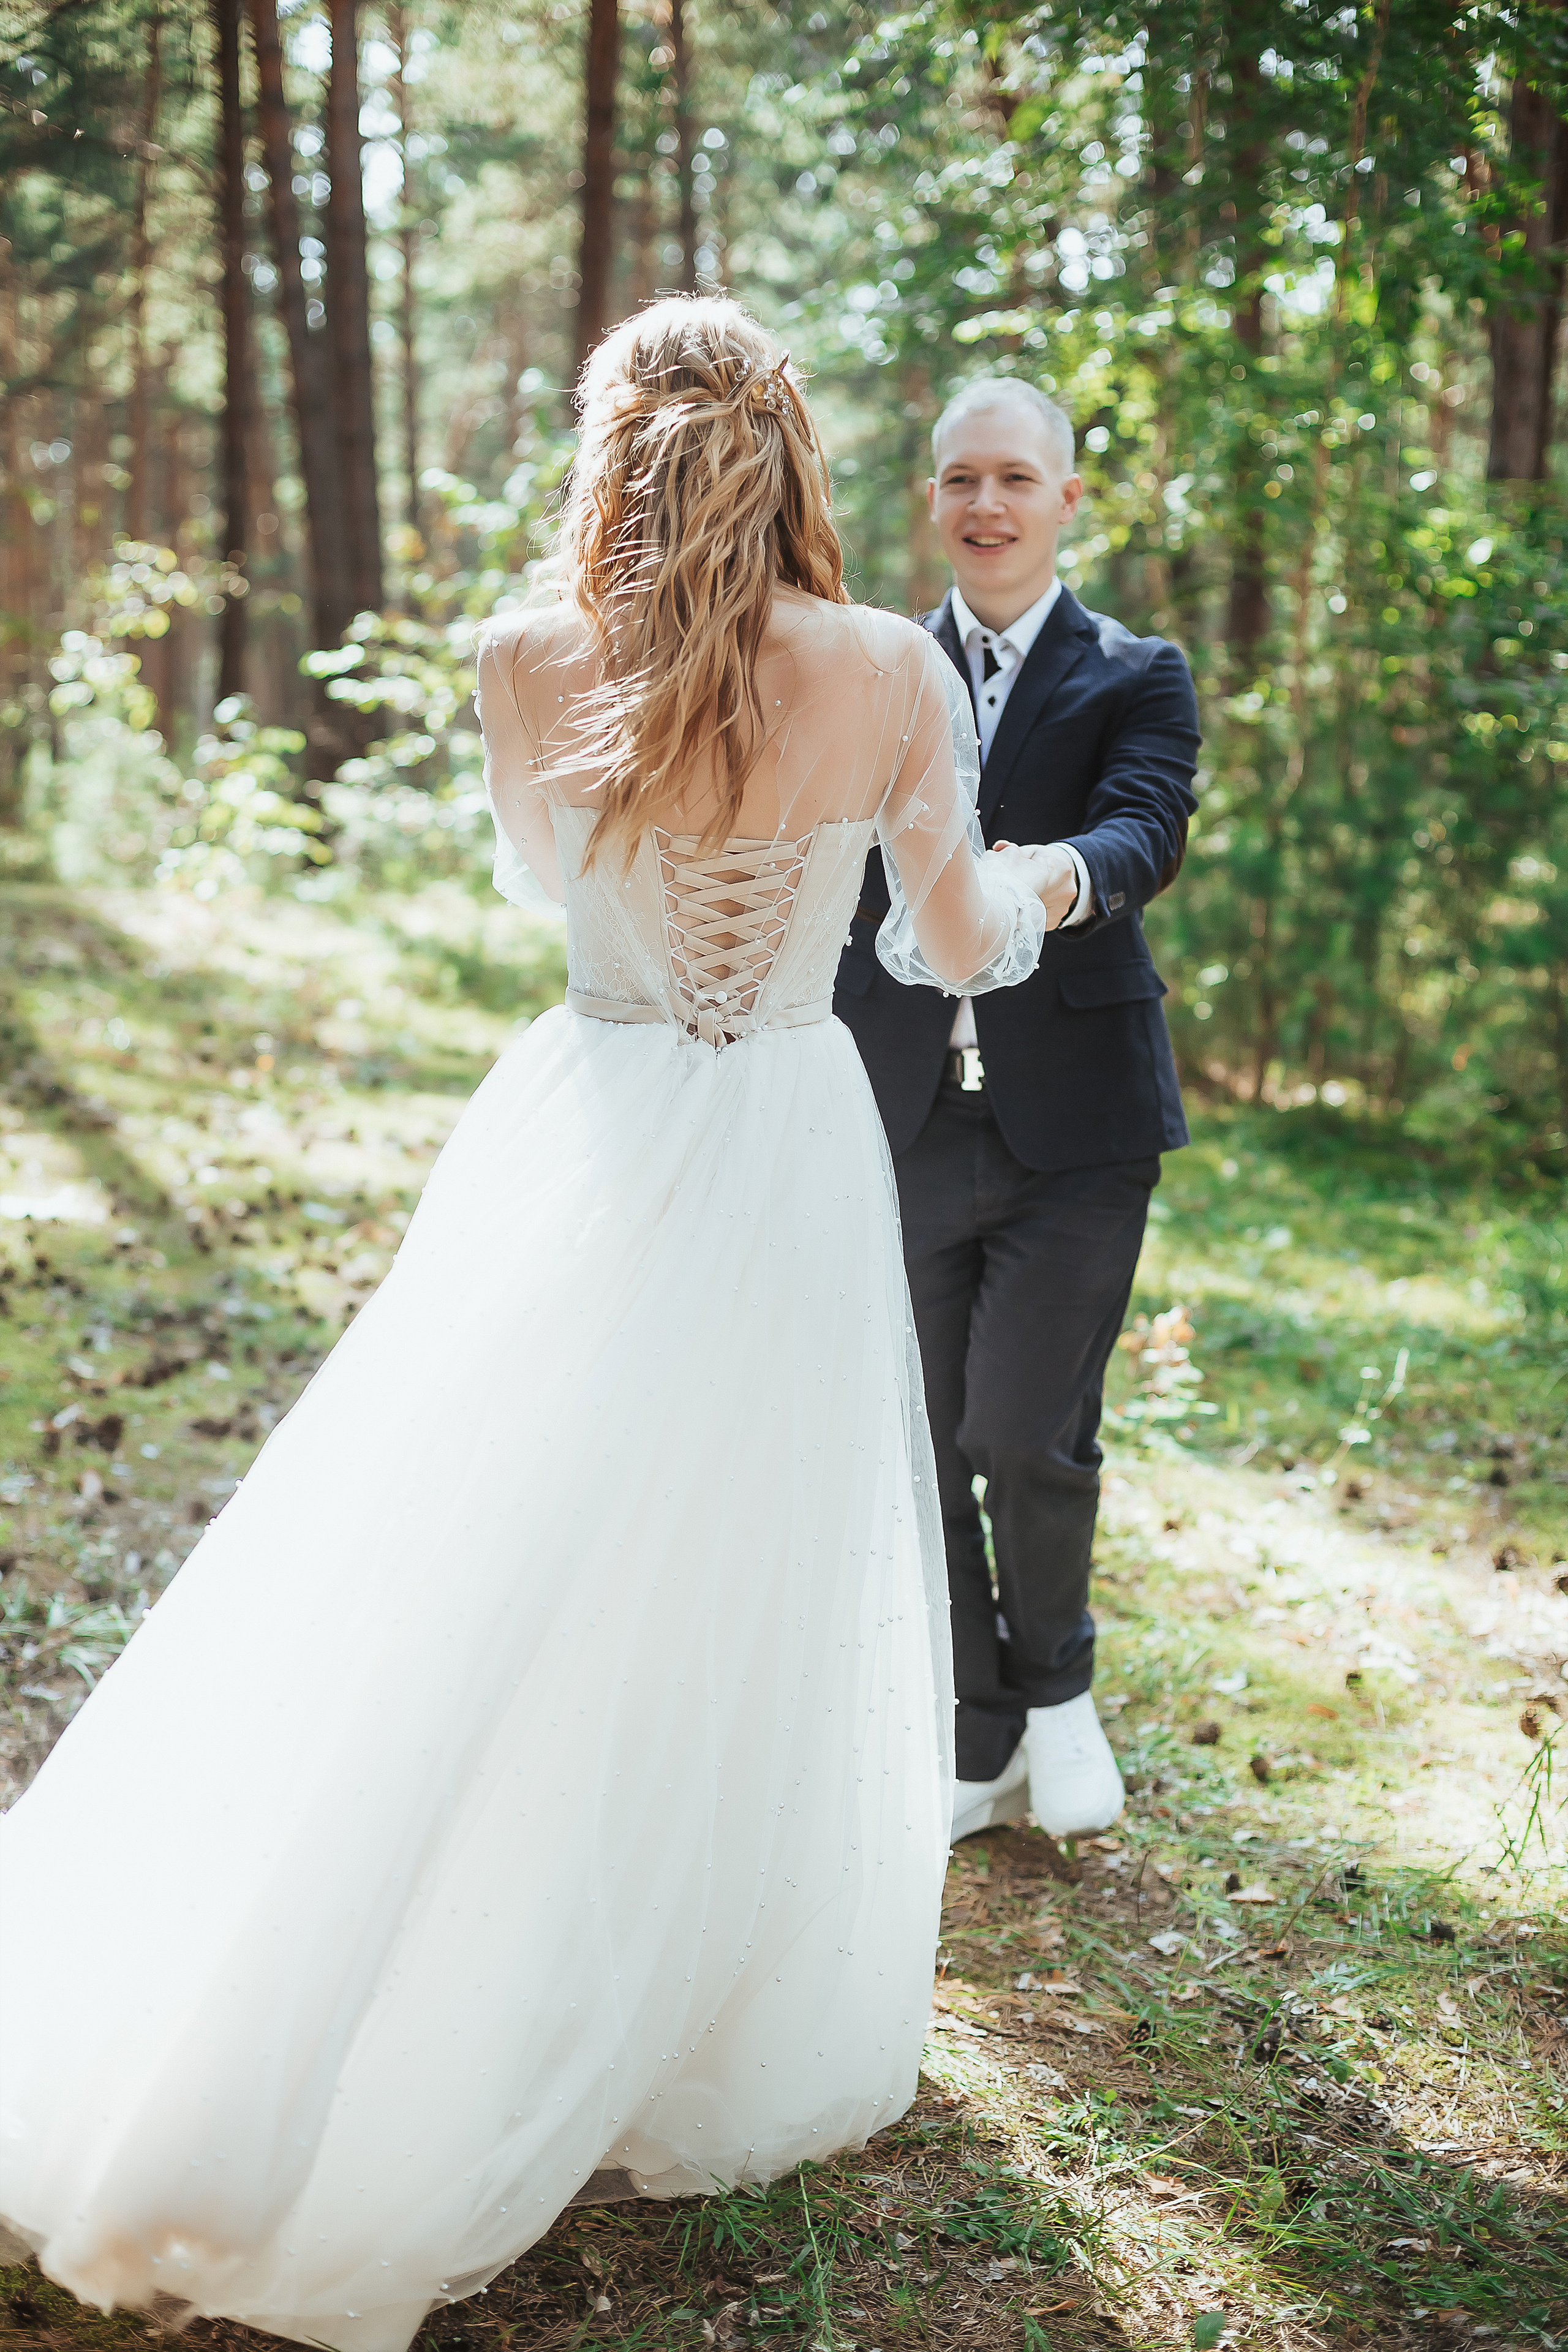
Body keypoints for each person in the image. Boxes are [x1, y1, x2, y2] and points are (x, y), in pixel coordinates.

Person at [0, 301, 1061, 2352]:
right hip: (777, 1143)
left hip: (584, 1125)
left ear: (607, 455)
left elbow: (535, 884)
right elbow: (954, 947)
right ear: (796, 454)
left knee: (457, 1548)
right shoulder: (891, 668)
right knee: (728, 1575)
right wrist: (1045, 893)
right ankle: (661, 2004)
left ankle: (391, 1965)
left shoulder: (518, 659)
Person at [834, 379, 1200, 1846]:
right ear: (932, 499)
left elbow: (1146, 823)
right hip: (895, 1110)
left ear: (1062, 499)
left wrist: (1044, 878)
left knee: (1020, 1431)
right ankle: (978, 1730)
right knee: (923, 1439)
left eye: (1014, 479)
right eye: (959, 480)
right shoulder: (867, 668)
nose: (985, 505)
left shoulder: (1135, 669)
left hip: (1079, 1125)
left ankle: (1058, 1692)